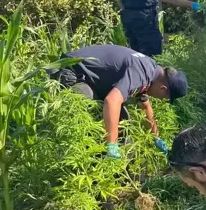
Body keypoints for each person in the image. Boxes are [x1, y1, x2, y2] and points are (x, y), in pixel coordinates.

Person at [49, 45, 188, 159]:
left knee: (122, 119)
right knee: (91, 111)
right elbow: (111, 101)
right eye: (164, 98)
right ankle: (79, 156)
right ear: (163, 89)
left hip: (93, 79)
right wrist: (112, 145)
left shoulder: (151, 70)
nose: (161, 100)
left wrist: (156, 138)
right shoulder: (141, 74)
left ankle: (109, 159)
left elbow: (145, 104)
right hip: (71, 70)